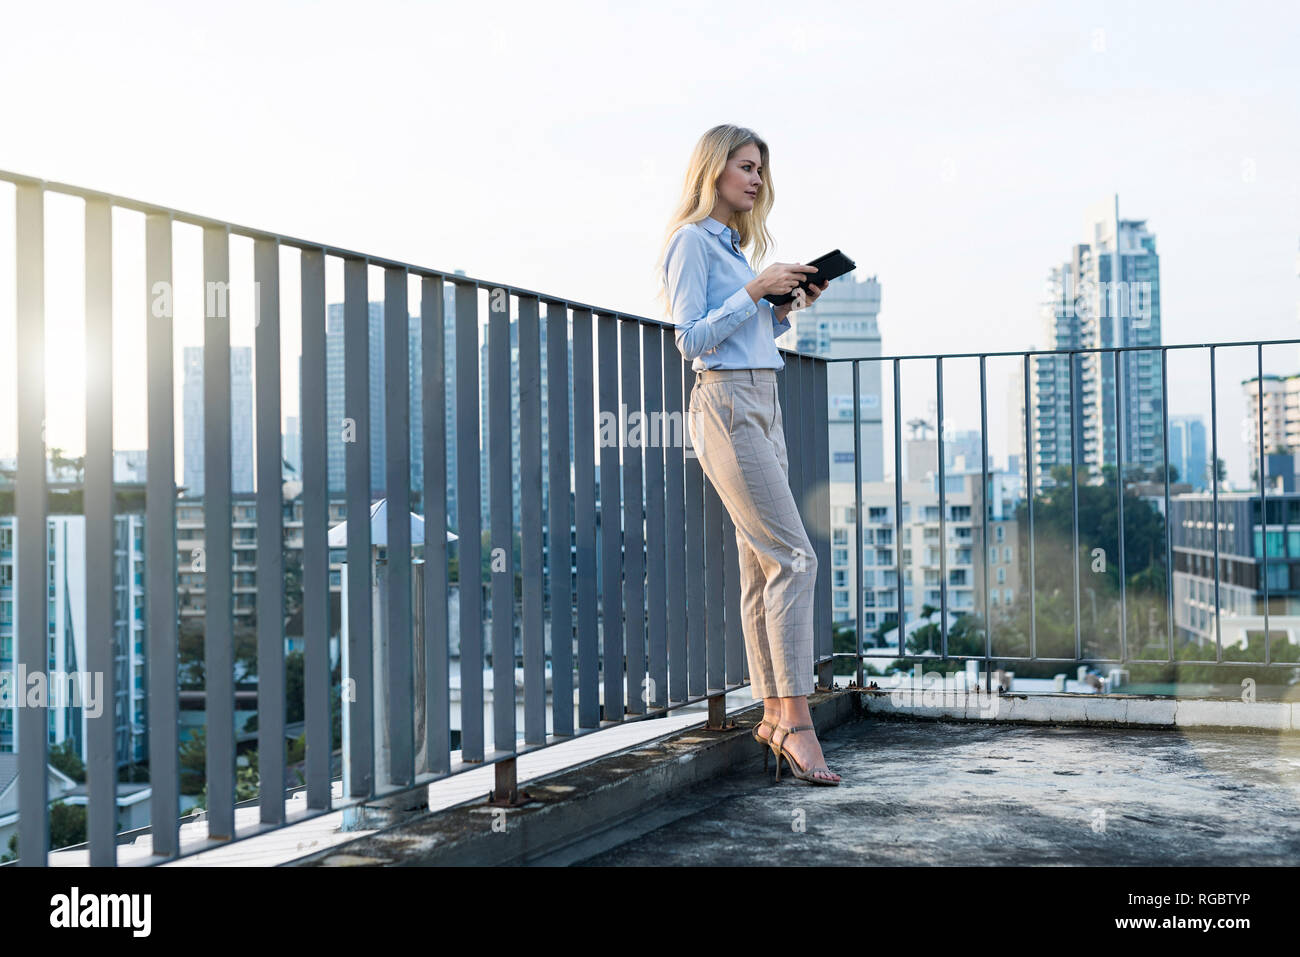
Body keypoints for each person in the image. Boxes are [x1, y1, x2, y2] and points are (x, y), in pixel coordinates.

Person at [654, 124, 840, 785]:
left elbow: (753, 333)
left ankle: (772, 712)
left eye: (761, 168)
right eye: (745, 165)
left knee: (765, 567)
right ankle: (795, 719)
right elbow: (693, 339)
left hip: (766, 400)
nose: (756, 178)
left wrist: (787, 307)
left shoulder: (734, 250)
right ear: (713, 171)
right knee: (796, 557)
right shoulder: (691, 242)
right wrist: (756, 290)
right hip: (727, 405)